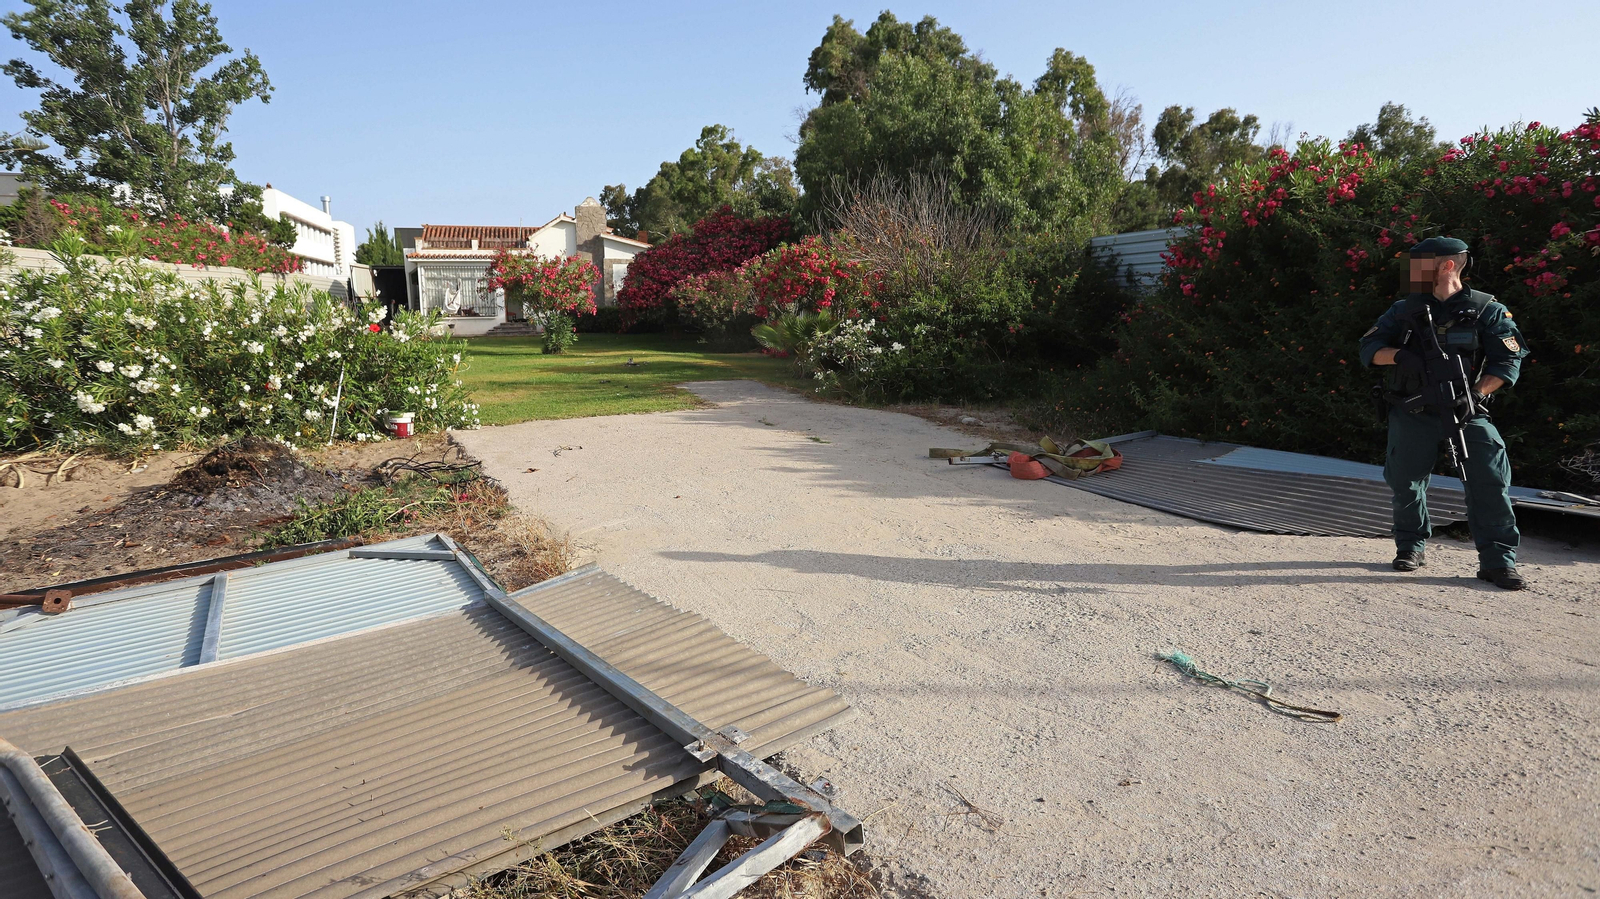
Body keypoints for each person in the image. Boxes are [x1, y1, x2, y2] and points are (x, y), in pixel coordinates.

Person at [1358, 236, 1530, 590]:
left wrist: (1477, 394)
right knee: (1405, 481)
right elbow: (1369, 348)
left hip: (1466, 410)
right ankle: (1410, 546)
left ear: (1446, 265)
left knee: (1489, 480)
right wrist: (1399, 356)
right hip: (1412, 409)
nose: (1409, 271)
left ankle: (1498, 562)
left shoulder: (1487, 309)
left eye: (1417, 264)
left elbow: (1508, 360)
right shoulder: (1403, 308)